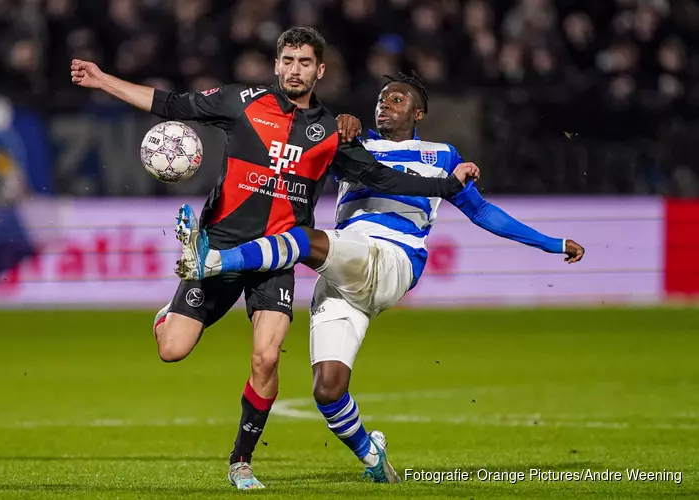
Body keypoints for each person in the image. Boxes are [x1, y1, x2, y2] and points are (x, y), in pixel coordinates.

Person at [71, 28, 479, 490]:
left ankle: (241, 462)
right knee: (172, 350)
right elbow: (169, 104)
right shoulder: (240, 102)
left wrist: (446, 186)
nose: (295, 69)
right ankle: (170, 316)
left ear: (319, 71)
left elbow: (383, 179)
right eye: (288, 60)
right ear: (277, 64)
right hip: (221, 245)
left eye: (305, 62)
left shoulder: (328, 132)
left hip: (275, 259)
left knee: (266, 359)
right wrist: (104, 81)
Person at [175, 71, 586, 484]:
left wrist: (551, 243)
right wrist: (338, 127)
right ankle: (373, 457)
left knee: (301, 239)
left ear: (419, 112)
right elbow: (296, 151)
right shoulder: (351, 145)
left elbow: (482, 213)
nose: (385, 104)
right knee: (328, 390)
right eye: (382, 98)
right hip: (341, 273)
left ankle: (213, 263)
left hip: (391, 260)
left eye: (398, 100)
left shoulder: (441, 155)